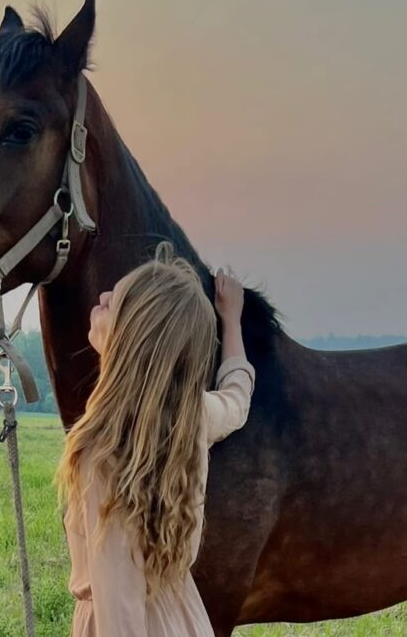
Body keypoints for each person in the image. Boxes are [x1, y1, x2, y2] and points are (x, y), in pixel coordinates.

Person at [56, 242, 256, 636]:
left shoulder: (103, 452)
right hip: (184, 620)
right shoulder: (193, 417)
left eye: (116, 302)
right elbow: (237, 399)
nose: (103, 296)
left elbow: (120, 610)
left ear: (132, 336)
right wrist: (231, 320)